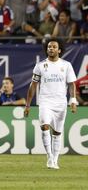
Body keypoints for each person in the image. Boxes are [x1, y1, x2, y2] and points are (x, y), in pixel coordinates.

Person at [24, 39, 78, 169]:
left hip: (60, 103)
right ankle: (49, 157)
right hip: (45, 102)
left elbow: (71, 84)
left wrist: (73, 100)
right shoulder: (40, 66)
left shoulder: (66, 65)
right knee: (45, 126)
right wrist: (27, 105)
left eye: (54, 47)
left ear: (59, 50)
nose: (51, 49)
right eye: (49, 47)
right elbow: (33, 86)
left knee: (57, 133)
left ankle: (55, 160)